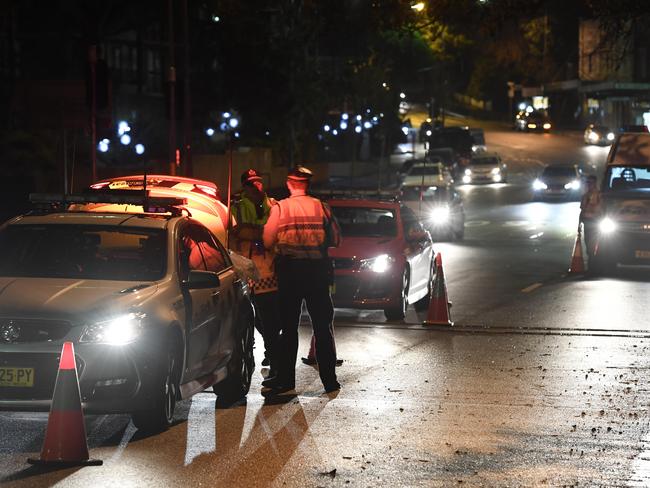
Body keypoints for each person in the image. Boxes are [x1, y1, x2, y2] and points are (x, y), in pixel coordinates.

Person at [262, 165, 341, 394]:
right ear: (308, 184)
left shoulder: (281, 208)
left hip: (290, 273)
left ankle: (286, 380)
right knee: (323, 327)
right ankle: (329, 381)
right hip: (317, 273)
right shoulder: (321, 208)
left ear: (289, 183)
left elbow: (267, 241)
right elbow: (336, 239)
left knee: (288, 328)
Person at [230, 169, 280, 373]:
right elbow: (236, 231)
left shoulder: (273, 204)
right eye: (252, 184)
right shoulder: (237, 206)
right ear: (245, 187)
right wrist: (262, 232)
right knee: (251, 313)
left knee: (267, 313)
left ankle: (272, 349)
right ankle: (270, 348)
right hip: (245, 266)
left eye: (259, 182)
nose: (257, 186)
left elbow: (275, 232)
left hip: (268, 268)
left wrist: (252, 232)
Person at [579, 175, 603, 267]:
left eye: (590, 183)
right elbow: (582, 210)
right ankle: (591, 263)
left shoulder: (599, 195)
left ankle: (594, 264)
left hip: (595, 222)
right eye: (587, 183)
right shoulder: (585, 196)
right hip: (587, 222)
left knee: (594, 244)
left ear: (595, 183)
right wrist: (579, 223)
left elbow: (602, 209)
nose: (588, 185)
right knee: (588, 243)